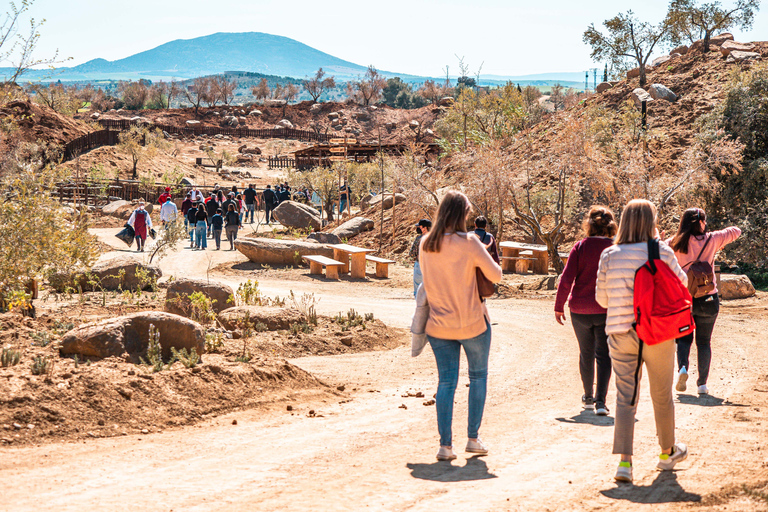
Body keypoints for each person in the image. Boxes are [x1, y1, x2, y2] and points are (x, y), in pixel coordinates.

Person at [595, 199, 689, 483]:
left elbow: (602, 299)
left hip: (620, 333)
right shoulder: (660, 251)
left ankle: (625, 463)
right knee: (661, 394)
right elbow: (681, 283)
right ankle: (666, 453)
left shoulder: (609, 255)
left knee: (626, 397)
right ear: (651, 222)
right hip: (657, 331)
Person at [419, 190, 502, 461]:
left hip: (438, 325)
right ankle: (473, 439)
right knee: (477, 377)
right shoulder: (469, 243)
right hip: (473, 323)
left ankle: (445, 446)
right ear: (463, 214)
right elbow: (496, 275)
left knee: (446, 382)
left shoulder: (425, 243)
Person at [667, 208, 741, 395]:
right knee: (704, 342)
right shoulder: (713, 239)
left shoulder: (673, 243)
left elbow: (658, 249)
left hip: (684, 299)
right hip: (708, 298)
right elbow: (736, 231)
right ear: (702, 222)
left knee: (683, 339)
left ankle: (682, 368)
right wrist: (716, 242)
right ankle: (702, 385)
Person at [555, 206, 617, 416]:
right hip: (606, 308)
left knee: (586, 353)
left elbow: (566, 279)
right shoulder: (615, 248)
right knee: (604, 354)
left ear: (589, 225)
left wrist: (558, 305)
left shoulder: (580, 247)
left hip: (580, 309)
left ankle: (588, 398)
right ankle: (601, 402)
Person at [409, 219, 432, 298]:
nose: (418, 228)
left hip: (420, 265)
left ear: (425, 228)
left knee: (418, 291)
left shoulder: (419, 239)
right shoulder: (436, 239)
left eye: (420, 226)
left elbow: (412, 254)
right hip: (433, 267)